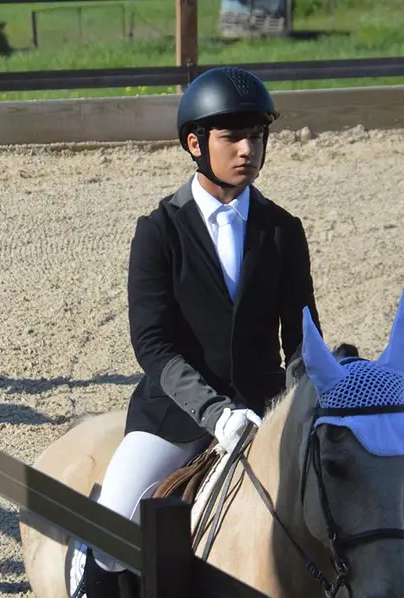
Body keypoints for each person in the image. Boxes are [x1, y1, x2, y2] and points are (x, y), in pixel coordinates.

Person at [73, 66, 321, 598]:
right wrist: (215, 412)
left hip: (265, 411)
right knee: (111, 528)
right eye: (232, 137)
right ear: (194, 143)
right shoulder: (158, 232)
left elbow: (303, 341)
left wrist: (304, 403)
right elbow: (154, 347)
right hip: (174, 417)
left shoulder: (283, 231)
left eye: (256, 137)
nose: (247, 150)